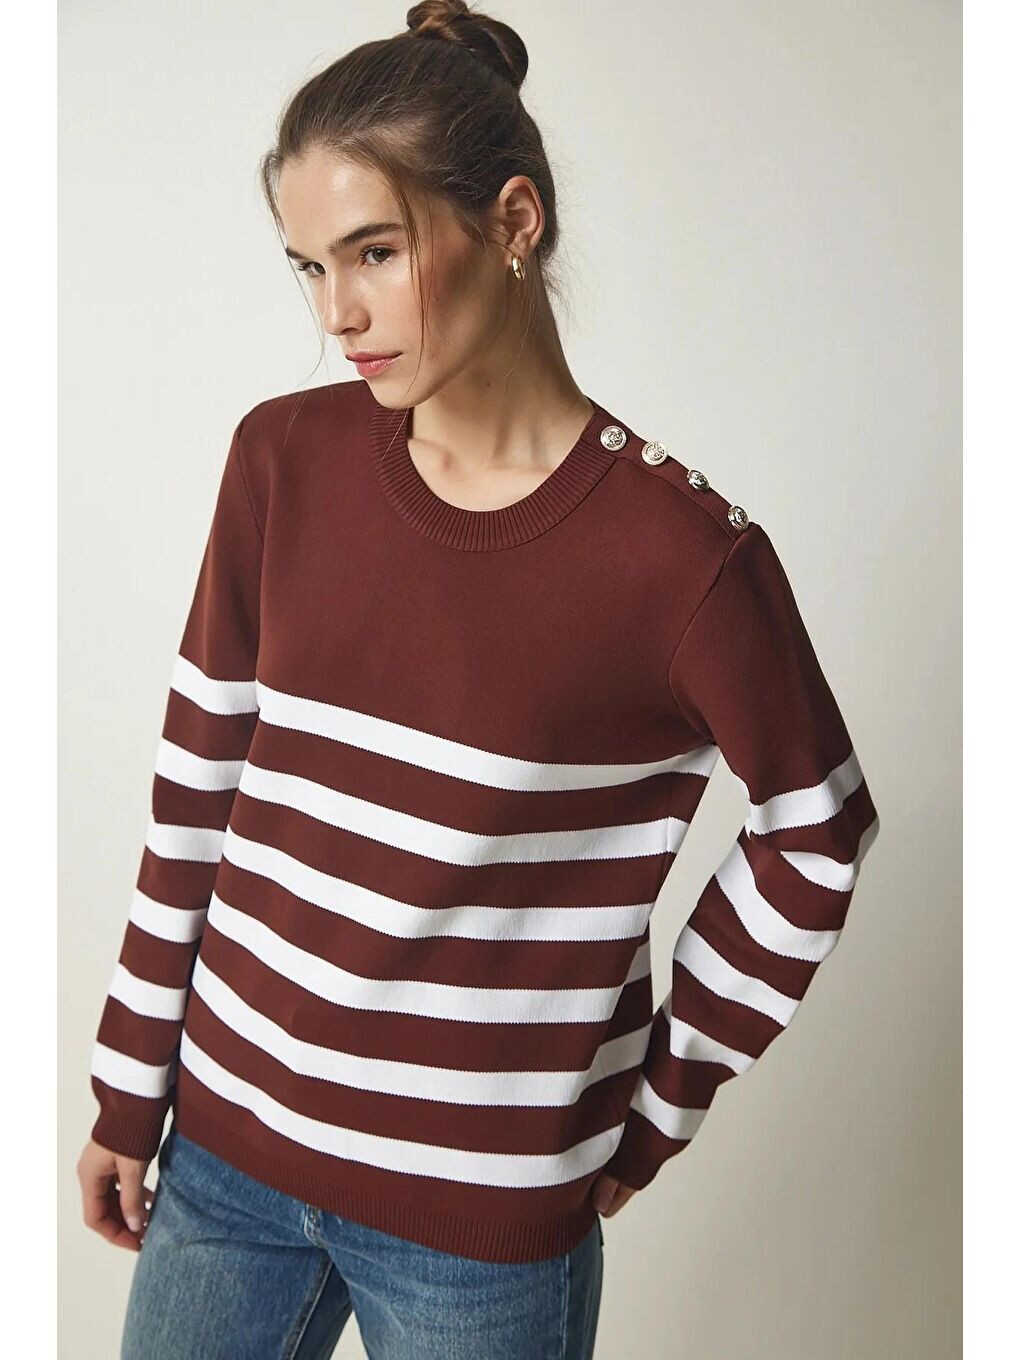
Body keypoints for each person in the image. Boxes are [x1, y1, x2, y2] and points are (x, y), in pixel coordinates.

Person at [77, 2, 881, 1356]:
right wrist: (128, 1079)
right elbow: (196, 792)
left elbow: (819, 829)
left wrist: (657, 1102)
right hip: (220, 1160)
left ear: (513, 222)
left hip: (480, 1231)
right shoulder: (282, 462)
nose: (338, 314)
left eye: (375, 253)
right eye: (309, 267)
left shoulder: (683, 560)